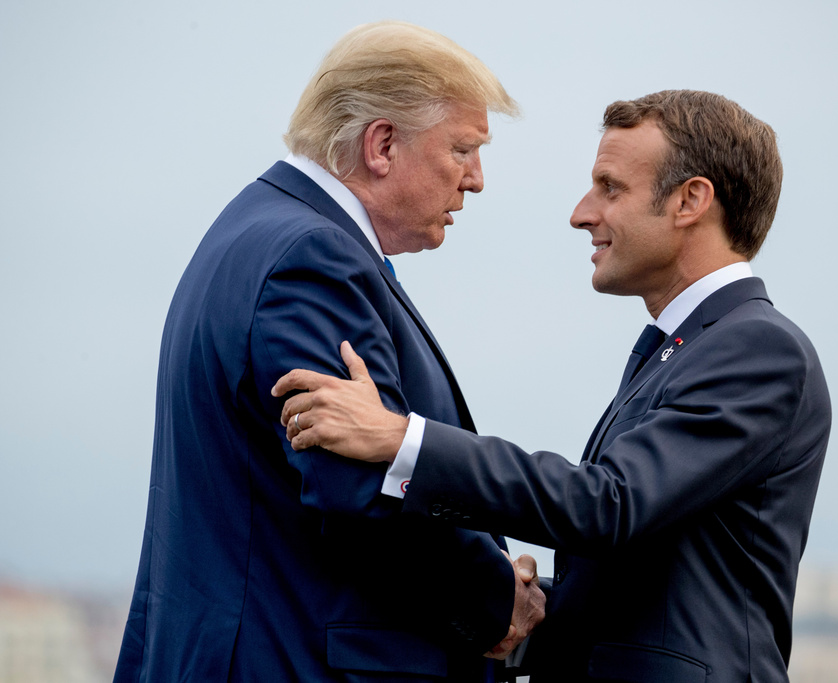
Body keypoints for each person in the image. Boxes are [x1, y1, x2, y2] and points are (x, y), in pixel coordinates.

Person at [272, 89, 832, 682]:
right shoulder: (687, 347)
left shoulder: (759, 348)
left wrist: (398, 439)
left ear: (690, 200)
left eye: (610, 187)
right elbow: (641, 577)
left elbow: (611, 504)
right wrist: (518, 606)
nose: (582, 213)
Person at [113, 21, 544, 683]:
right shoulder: (310, 260)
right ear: (382, 143)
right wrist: (494, 598)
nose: (477, 180)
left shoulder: (257, 231)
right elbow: (359, 491)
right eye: (463, 149)